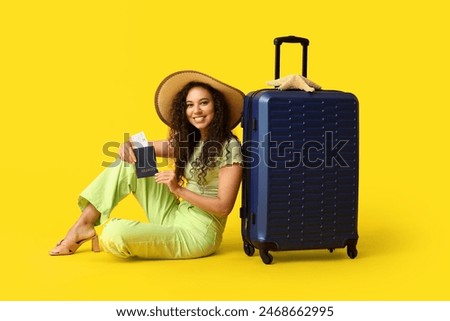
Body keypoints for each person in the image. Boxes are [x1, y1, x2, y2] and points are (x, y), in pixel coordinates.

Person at [49, 70, 244, 259]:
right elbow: (142, 147)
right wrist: (127, 146)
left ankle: (124, 235)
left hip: (197, 233)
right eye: (190, 105)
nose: (196, 110)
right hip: (174, 214)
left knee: (114, 233)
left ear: (216, 107)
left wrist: (178, 190)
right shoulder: (190, 141)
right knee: (129, 163)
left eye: (204, 103)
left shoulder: (229, 147)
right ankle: (83, 225)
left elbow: (223, 207)